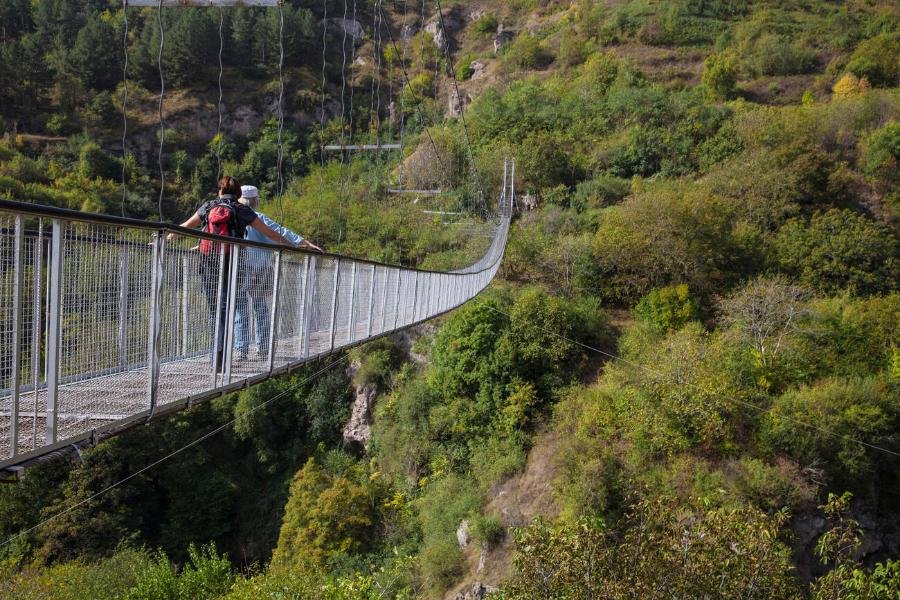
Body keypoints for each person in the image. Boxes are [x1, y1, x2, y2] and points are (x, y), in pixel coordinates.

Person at [168, 176, 295, 372]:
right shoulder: (241, 210)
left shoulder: (208, 206)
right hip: (233, 267)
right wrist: (292, 245)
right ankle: (224, 359)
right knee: (228, 310)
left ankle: (215, 359)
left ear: (219, 191)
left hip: (208, 265)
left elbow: (184, 227)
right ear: (238, 195)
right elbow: (270, 233)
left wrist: (164, 240)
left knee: (215, 312)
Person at [234, 185, 322, 360]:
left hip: (238, 270)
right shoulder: (257, 218)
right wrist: (303, 243)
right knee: (260, 310)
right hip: (260, 271)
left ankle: (241, 351)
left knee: (240, 312)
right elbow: (280, 232)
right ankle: (263, 348)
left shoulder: (232, 217)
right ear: (255, 201)